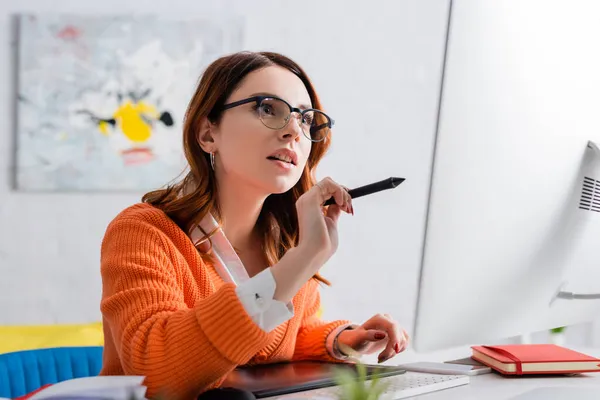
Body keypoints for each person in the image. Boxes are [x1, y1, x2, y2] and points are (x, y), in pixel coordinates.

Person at [99, 51, 409, 400]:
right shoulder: (143, 231)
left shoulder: (282, 242)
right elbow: (157, 374)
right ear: (207, 134)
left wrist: (342, 339)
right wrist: (302, 259)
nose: (294, 130)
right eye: (266, 108)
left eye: (306, 120)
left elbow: (281, 341)